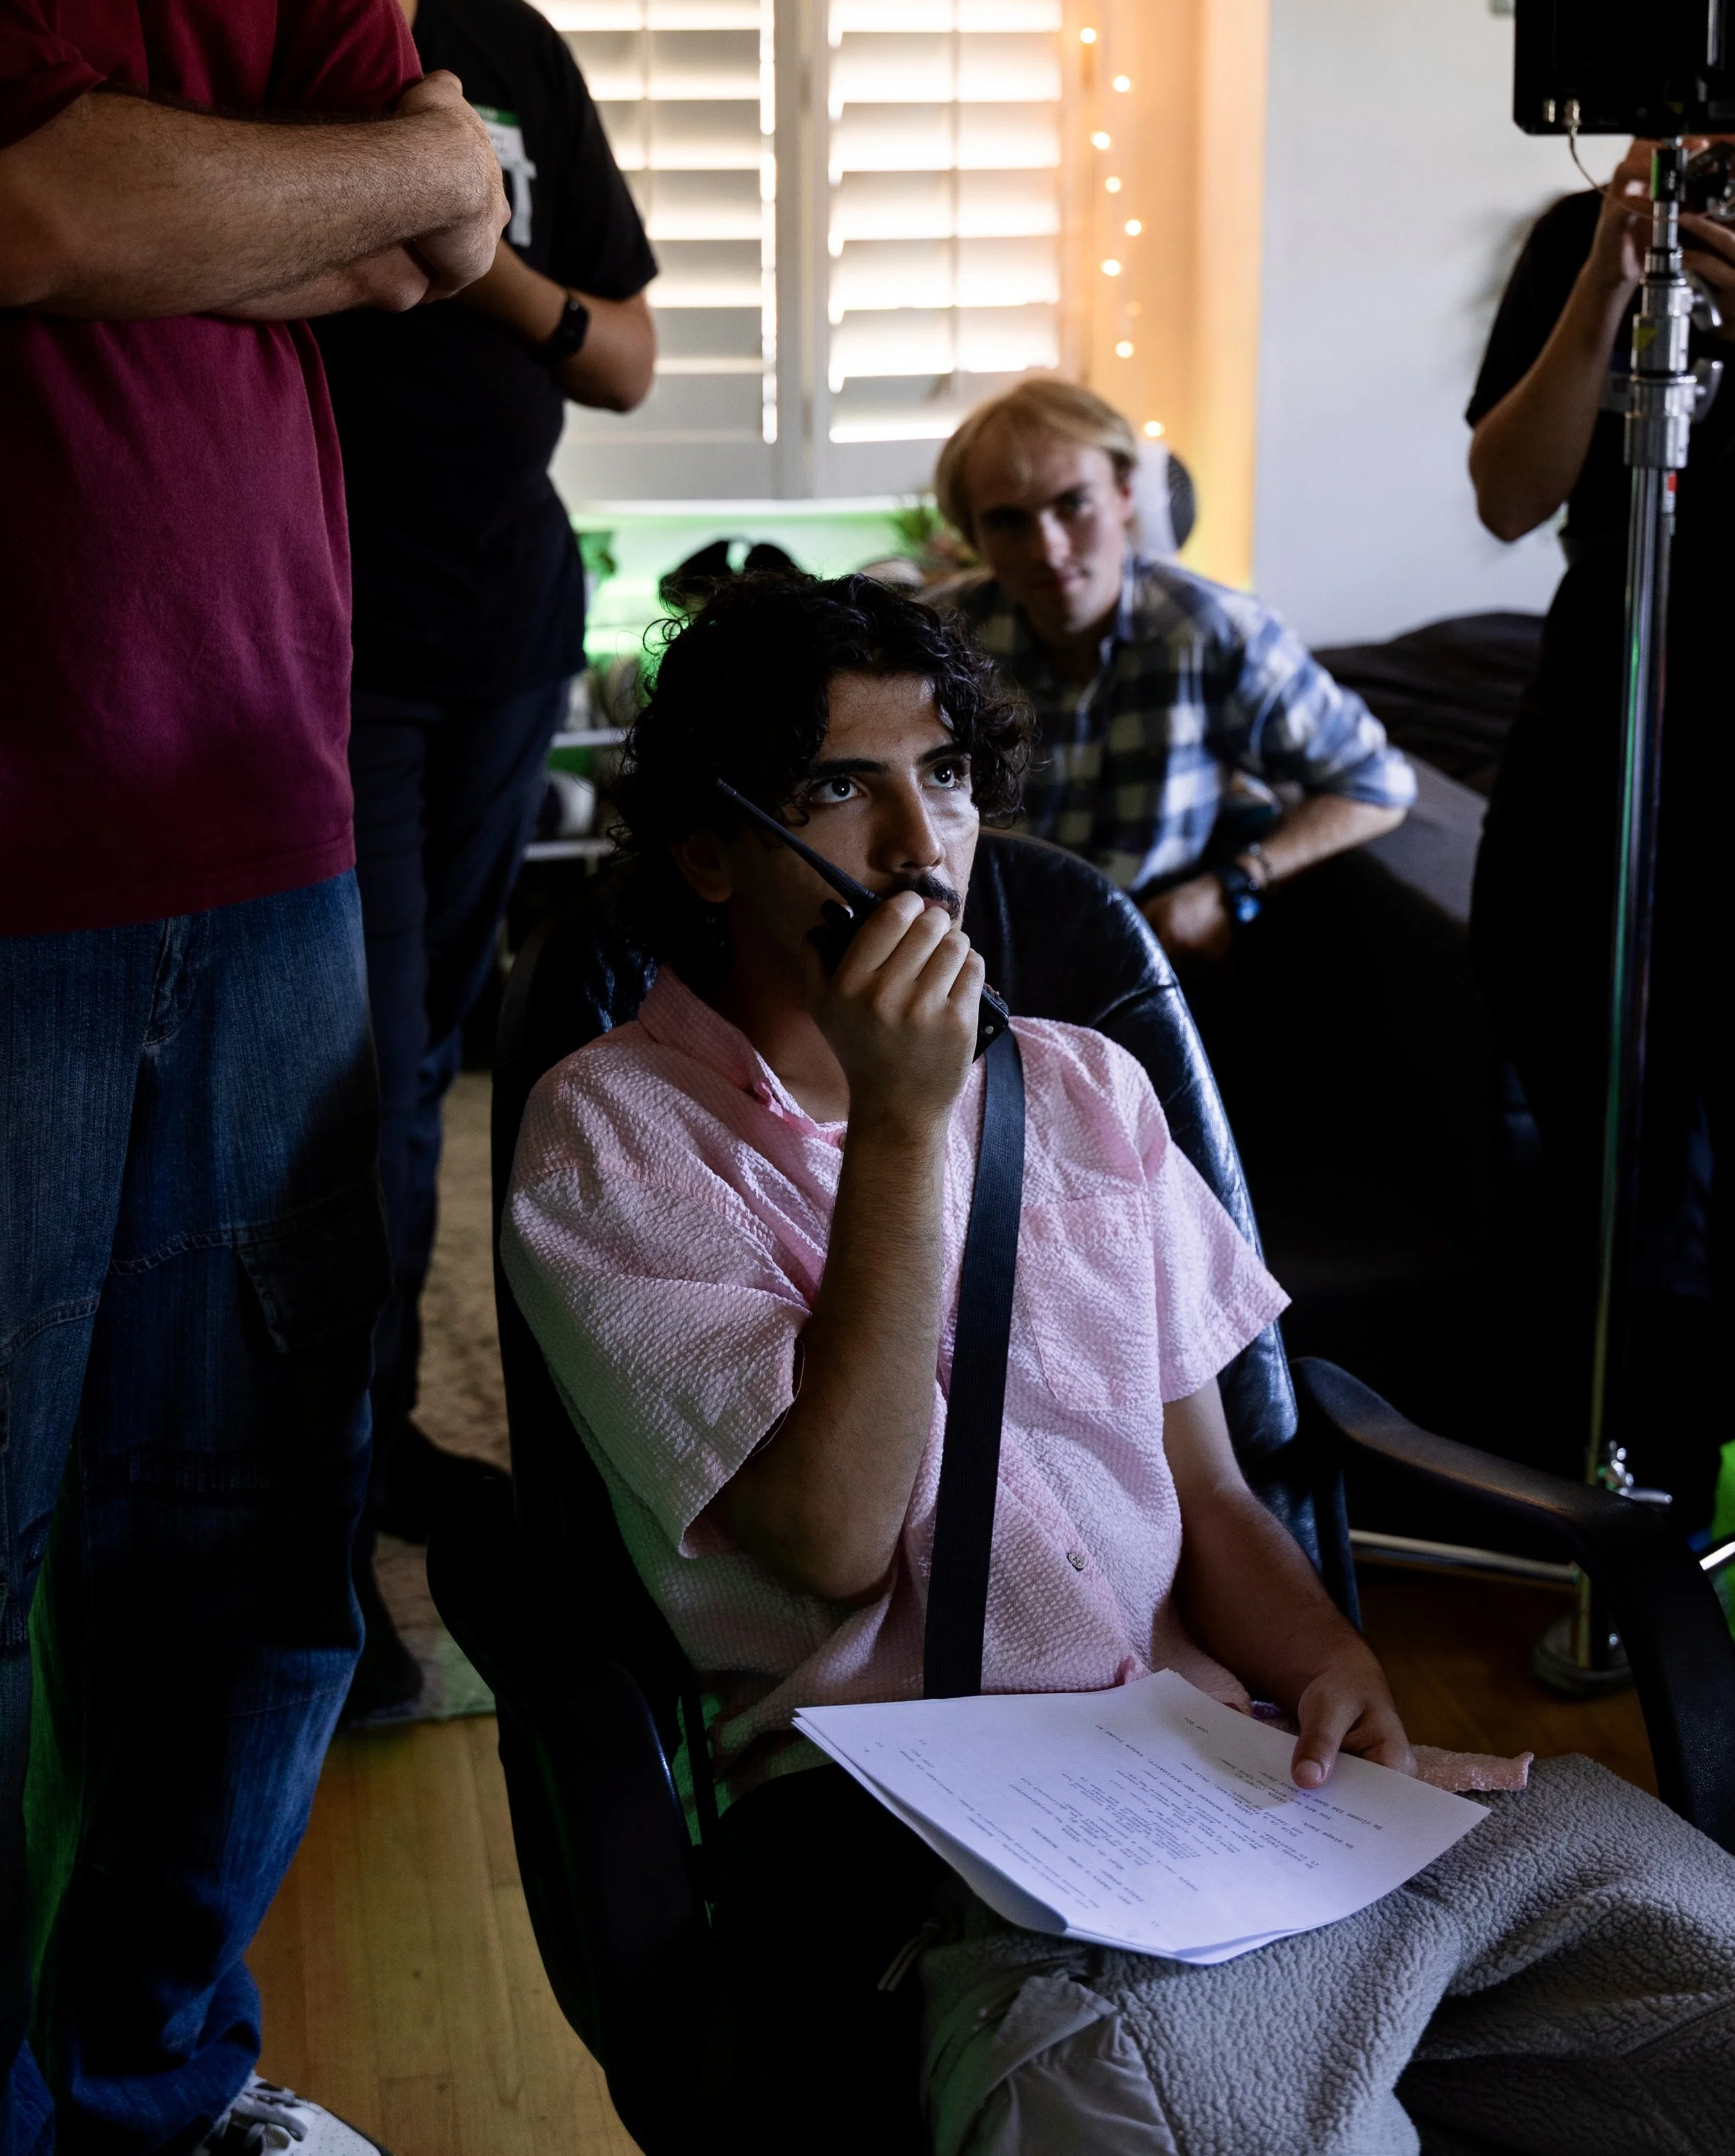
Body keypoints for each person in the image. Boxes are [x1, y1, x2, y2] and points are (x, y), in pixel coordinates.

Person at [500, 574, 1735, 2156]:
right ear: (711, 850)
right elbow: (831, 1541)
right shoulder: (610, 1137)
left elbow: (1209, 1494)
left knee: (1696, 1971)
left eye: (946, 774)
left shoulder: (1083, 1085)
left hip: (1230, 1781)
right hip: (952, 1864)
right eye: (841, 787)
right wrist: (901, 1124)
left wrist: (1330, 1664)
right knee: (1200, 2112)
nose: (919, 842)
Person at [0, 0, 507, 2148]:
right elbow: (41, 210)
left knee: (253, 1537)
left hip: (271, 805)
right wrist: (318, 187)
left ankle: (158, 2079)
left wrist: (236, 190)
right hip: (15, 854)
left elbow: (455, 212)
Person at [285, 0, 659, 1712]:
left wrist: (478, 256)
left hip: (498, 622)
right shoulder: (247, 11)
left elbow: (621, 352)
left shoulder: (510, 41)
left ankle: (365, 1443)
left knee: (423, 1061)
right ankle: (307, 1514)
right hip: (304, 635)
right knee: (329, 1086)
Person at [1466, 0, 1735, 1527]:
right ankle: (1616, 1528)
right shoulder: (1582, 239)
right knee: (1605, 1187)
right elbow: (1507, 495)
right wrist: (1605, 285)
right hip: (1597, 759)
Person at [931, 380, 1414, 962]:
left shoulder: (1215, 630)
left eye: (1073, 504)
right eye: (1009, 522)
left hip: (1151, 950)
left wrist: (1237, 883)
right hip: (981, 949)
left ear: (1125, 494)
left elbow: (1376, 784)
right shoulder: (937, 644)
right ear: (974, 536)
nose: (1049, 549)